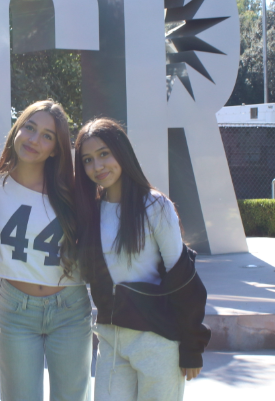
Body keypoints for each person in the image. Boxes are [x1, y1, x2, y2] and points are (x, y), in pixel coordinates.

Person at [74, 117, 211, 401]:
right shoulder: (91, 212)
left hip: (157, 340)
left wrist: (191, 347)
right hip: (111, 340)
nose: (97, 166)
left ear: (121, 152)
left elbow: (182, 277)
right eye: (87, 160)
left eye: (103, 154)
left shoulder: (155, 205)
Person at [0, 100, 92, 401]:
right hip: (16, 310)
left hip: (70, 308)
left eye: (47, 135)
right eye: (29, 128)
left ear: (56, 148)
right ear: (17, 129)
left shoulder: (74, 190)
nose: (34, 139)